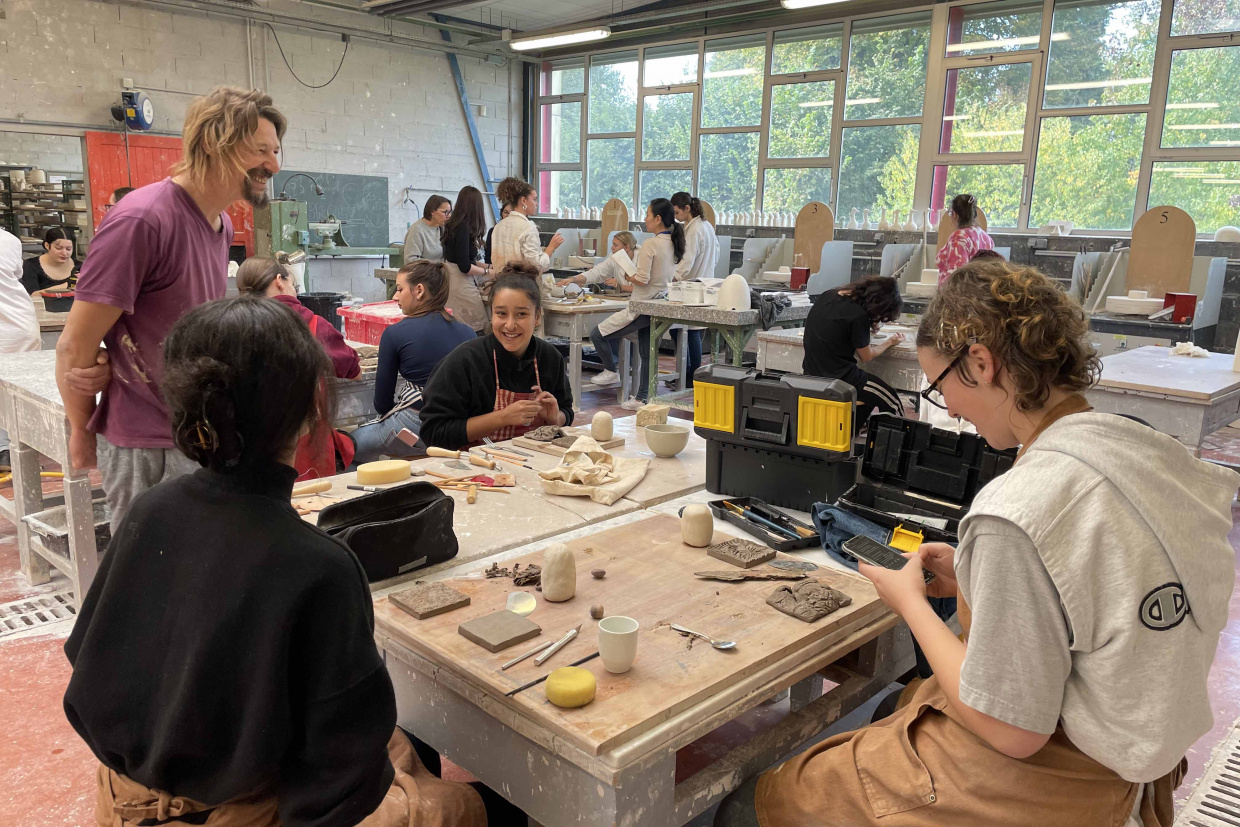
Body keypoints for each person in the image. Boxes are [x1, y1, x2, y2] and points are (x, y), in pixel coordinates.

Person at [715, 259, 1239, 827]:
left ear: (981, 364)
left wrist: (911, 605)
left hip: (1068, 776)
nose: (952, 410)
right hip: (1142, 750)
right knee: (901, 705)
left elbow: (1013, 732)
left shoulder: (1016, 507)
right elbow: (1100, 592)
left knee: (753, 806)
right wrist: (975, 576)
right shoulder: (1157, 457)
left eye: (941, 389)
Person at [64, 296, 494, 827]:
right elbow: (339, 789)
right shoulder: (318, 565)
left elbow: (87, 669)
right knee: (475, 805)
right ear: (315, 404)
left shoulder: (153, 510)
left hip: (124, 800)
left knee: (403, 745)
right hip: (246, 813)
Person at [55, 85, 286, 533]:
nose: (273, 166)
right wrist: (81, 432)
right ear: (209, 144)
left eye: (276, 151)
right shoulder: (142, 220)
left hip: (199, 430)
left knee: (201, 576)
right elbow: (74, 347)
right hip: (149, 444)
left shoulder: (220, 224)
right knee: (150, 584)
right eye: (260, 151)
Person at [235, 255, 360, 481]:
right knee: (309, 503)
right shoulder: (310, 323)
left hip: (248, 436)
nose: (294, 288)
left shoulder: (234, 324)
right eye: (292, 282)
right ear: (279, 281)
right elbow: (352, 369)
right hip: (304, 436)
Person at [419, 272, 573, 450]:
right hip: (474, 468)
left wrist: (555, 419)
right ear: (491, 314)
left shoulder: (550, 358)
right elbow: (433, 432)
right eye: (501, 313)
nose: (510, 325)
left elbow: (566, 411)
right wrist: (503, 417)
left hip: (534, 463)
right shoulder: (465, 361)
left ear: (537, 317)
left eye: (521, 314)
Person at [351, 259, 475, 463]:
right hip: (460, 424)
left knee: (348, 446)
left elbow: (382, 404)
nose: (395, 296)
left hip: (417, 424)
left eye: (399, 290)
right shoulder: (469, 332)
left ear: (419, 290)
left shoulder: (395, 333)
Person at [588, 198, 682, 411]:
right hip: (658, 303)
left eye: (648, 215)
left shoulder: (651, 244)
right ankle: (643, 397)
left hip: (642, 304)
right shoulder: (674, 242)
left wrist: (627, 277)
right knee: (647, 353)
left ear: (658, 219)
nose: (645, 219)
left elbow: (643, 278)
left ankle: (612, 371)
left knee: (597, 333)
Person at [802, 275, 905, 433]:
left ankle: (850, 432)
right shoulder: (858, 315)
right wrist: (890, 342)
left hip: (810, 373)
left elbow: (837, 331)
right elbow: (867, 356)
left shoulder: (828, 295)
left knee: (868, 398)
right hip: (840, 379)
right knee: (892, 401)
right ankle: (901, 447)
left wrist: (867, 328)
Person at [0, 227, 41, 471]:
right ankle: (16, 453)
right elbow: (14, 274)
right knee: (18, 394)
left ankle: (8, 452)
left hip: (11, 326)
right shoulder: (9, 240)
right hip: (19, 322)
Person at [671, 191, 718, 386]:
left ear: (687, 208)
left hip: (692, 285)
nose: (675, 217)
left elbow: (687, 261)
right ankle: (690, 374)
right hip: (705, 282)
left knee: (685, 331)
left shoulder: (694, 230)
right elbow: (716, 254)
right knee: (692, 331)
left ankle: (690, 375)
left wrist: (673, 278)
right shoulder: (706, 226)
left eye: (677, 213)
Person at [441, 185, 493, 333]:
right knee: (476, 327)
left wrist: (488, 267)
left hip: (452, 279)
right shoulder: (462, 227)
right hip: (459, 283)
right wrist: (487, 272)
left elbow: (465, 258)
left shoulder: (453, 224)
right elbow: (465, 266)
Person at [489, 176, 563, 280]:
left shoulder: (499, 226)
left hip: (501, 286)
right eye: (534, 199)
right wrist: (550, 248)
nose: (537, 204)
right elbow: (535, 267)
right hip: (522, 287)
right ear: (523, 200)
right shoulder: (528, 227)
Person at [936, 193, 994, 283]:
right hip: (979, 291)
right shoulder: (986, 238)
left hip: (960, 294)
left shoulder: (959, 238)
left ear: (955, 214)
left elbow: (955, 274)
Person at [556, 231, 636, 292]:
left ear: (626, 247)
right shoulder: (614, 257)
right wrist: (573, 279)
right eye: (612, 244)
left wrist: (620, 287)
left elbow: (645, 290)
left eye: (615, 245)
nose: (612, 248)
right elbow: (596, 273)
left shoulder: (642, 259)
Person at [21, 227, 80, 294]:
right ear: (47, 245)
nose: (64, 253)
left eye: (68, 249)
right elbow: (31, 295)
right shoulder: (31, 265)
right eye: (58, 248)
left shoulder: (80, 267)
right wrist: (67, 286)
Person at [402, 194, 450, 262]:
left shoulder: (443, 228)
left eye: (450, 212)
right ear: (432, 212)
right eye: (445, 212)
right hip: (426, 272)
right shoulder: (416, 230)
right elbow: (410, 260)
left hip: (442, 270)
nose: (449, 216)